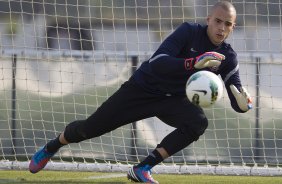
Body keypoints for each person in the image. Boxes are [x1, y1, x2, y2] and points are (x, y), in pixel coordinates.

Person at [29, 1, 252, 183]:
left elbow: (236, 96)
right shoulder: (188, 31)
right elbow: (158, 62)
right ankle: (53, 146)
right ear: (208, 20)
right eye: (218, 21)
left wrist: (244, 103)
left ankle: (143, 168)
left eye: (228, 24)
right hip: (143, 89)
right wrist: (194, 63)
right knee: (89, 129)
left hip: (173, 100)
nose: (221, 28)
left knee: (197, 123)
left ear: (233, 27)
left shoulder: (228, 57)